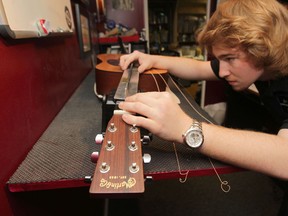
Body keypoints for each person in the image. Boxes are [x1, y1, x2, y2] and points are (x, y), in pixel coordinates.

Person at [119, 0, 288, 214]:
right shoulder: (262, 64)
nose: (223, 72)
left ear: (264, 46)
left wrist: (186, 127)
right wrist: (151, 59)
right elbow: (200, 67)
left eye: (229, 58)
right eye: (220, 59)